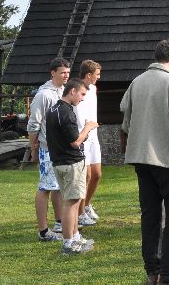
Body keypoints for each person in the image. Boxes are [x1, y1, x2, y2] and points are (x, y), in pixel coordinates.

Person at [121, 39, 169, 285]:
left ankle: (153, 273)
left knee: (150, 216)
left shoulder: (136, 82)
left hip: (141, 159)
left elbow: (126, 123)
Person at [45, 78, 98, 255]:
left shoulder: (53, 109)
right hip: (70, 163)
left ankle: (75, 237)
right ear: (73, 91)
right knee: (72, 203)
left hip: (59, 162)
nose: (82, 98)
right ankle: (68, 244)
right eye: (82, 94)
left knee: (73, 202)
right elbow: (75, 142)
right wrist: (88, 127)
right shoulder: (66, 112)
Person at [27, 57, 70, 242]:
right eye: (62, 72)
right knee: (45, 187)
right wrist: (33, 149)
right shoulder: (43, 95)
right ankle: (43, 231)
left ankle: (60, 222)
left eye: (68, 73)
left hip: (60, 148)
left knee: (57, 186)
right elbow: (33, 124)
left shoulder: (63, 91)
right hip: (47, 149)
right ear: (53, 73)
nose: (66, 76)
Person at [75, 60, 103, 226]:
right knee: (85, 176)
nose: (98, 77)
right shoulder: (76, 89)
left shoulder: (93, 89)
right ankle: (79, 213)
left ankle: (86, 205)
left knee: (97, 174)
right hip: (82, 136)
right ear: (88, 75)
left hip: (94, 136)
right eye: (97, 74)